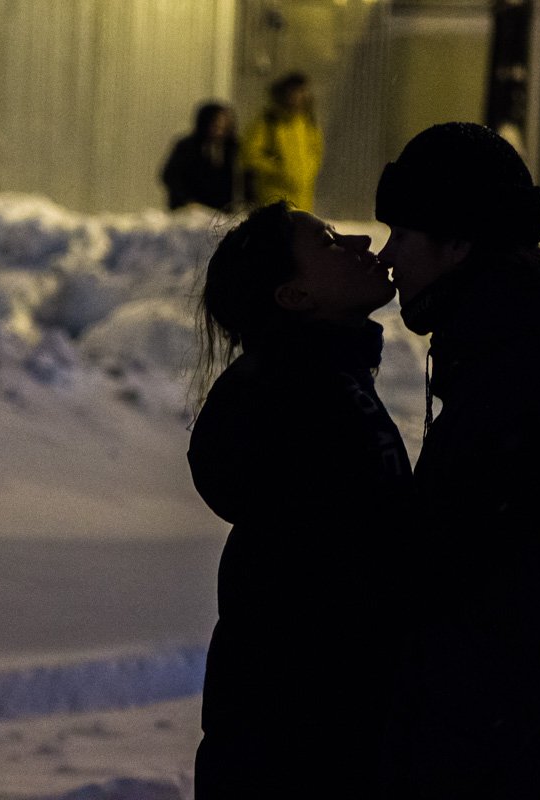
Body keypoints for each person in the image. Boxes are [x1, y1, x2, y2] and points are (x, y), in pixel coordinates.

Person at [374, 122, 540, 799]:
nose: (386, 257)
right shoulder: (510, 363)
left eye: (403, 235)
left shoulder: (526, 392)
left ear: (459, 243)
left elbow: (507, 647)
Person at [187, 202, 411, 797]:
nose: (363, 242)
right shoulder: (300, 407)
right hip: (302, 754)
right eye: (331, 243)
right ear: (293, 297)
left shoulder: (325, 387)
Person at [242, 72, 324, 212]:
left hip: (303, 197)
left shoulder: (308, 122)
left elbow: (316, 151)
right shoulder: (269, 121)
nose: (299, 97)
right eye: (295, 92)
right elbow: (249, 154)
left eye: (302, 92)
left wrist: (308, 171)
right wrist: (278, 170)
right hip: (273, 194)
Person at [161, 102, 239, 211]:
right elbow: (170, 175)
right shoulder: (187, 146)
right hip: (189, 210)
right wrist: (188, 200)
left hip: (220, 211)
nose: (220, 131)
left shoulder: (232, 147)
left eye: (224, 127)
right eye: (216, 126)